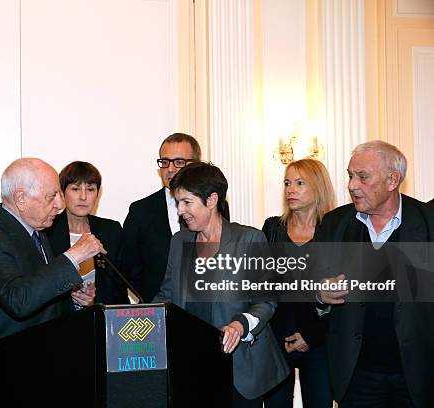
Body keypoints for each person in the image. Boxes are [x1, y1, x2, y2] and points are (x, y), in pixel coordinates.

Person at [0, 158, 105, 408]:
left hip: (33, 369)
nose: (60, 205)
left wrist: (75, 302)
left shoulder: (36, 230)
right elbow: (18, 300)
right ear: (20, 198)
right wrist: (73, 257)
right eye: (51, 196)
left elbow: (42, 294)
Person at [153, 162, 289, 407]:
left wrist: (240, 325)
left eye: (187, 202)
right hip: (192, 366)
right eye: (178, 203)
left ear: (212, 200)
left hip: (240, 370)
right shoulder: (179, 240)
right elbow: (168, 294)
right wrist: (138, 318)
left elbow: (266, 300)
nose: (180, 211)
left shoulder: (249, 239)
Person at [316, 140, 434, 407]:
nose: (352, 185)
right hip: (356, 374)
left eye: (363, 177)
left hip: (418, 373)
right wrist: (320, 294)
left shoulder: (429, 222)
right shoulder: (334, 224)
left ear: (393, 180)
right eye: (350, 176)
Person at [262, 159, 335, 408]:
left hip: (319, 342)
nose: (290, 189)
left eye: (300, 183)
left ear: (318, 187)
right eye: (287, 183)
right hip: (275, 342)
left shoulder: (334, 231)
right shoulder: (272, 228)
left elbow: (344, 296)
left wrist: (312, 336)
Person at [122, 133, 201, 302]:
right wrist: (152, 302)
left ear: (196, 165)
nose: (170, 169)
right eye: (164, 162)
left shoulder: (212, 206)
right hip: (157, 310)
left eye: (179, 162)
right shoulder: (140, 211)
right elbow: (128, 267)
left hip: (206, 311)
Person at [45, 161, 128, 304]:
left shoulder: (111, 230)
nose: (83, 197)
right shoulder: (47, 231)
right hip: (58, 320)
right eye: (75, 189)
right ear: (62, 193)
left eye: (90, 189)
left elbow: (118, 288)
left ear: (97, 195)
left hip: (101, 320)